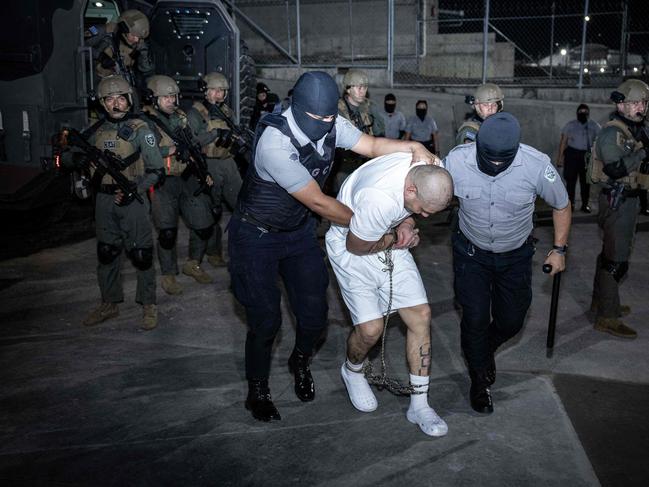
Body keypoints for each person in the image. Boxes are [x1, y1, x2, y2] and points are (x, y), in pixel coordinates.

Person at [229, 71, 438, 422]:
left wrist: (413, 147)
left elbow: (370, 145)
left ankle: (300, 360)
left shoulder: (329, 123)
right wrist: (376, 223)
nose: (326, 124)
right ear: (296, 107)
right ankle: (258, 388)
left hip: (296, 232)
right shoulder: (274, 144)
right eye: (318, 118)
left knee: (314, 317)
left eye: (330, 117)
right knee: (265, 320)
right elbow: (322, 204)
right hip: (256, 235)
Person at [444, 112, 571, 413]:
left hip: (515, 255)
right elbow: (428, 189)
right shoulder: (456, 161)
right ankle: (479, 380)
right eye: (490, 161)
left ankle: (484, 348)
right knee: (473, 318)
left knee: (512, 320)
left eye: (503, 162)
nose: (496, 167)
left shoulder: (536, 165)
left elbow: (562, 205)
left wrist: (559, 249)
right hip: (471, 253)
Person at [326, 154, 452, 437]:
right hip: (353, 245)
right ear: (410, 190)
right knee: (371, 330)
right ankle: (353, 370)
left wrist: (406, 224)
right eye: (423, 209)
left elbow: (409, 210)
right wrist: (397, 238)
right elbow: (357, 245)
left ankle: (419, 406)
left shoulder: (432, 171)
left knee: (421, 316)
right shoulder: (378, 198)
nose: (425, 216)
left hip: (386, 234)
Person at [71, 76, 165, 330]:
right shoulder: (95, 131)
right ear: (102, 102)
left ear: (129, 100)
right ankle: (109, 303)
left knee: (142, 254)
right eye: (110, 99)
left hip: (132, 199)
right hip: (103, 199)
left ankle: (148, 304)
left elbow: (157, 170)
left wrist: (136, 189)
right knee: (107, 252)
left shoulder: (141, 130)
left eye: (121, 98)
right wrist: (76, 162)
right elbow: (73, 155)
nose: (116, 103)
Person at [141, 75, 220, 294]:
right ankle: (168, 274)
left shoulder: (180, 116)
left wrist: (211, 139)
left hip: (187, 175)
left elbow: (193, 141)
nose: (171, 101)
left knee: (204, 225)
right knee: (167, 233)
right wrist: (173, 150)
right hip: (162, 181)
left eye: (174, 96)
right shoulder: (144, 122)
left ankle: (192, 263)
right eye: (165, 97)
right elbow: (145, 153)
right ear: (153, 98)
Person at [588, 79, 649, 339]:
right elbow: (614, 168)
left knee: (611, 253)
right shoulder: (611, 133)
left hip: (629, 200)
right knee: (616, 262)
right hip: (617, 200)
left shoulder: (634, 129)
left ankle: (602, 302)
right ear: (620, 104)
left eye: (644, 102)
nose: (641, 107)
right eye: (635, 102)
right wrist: (643, 154)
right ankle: (607, 318)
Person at [187, 72, 243, 269]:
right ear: (206, 91)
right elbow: (191, 142)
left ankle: (241, 250)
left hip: (228, 162)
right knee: (209, 210)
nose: (218, 95)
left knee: (243, 205)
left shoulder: (226, 111)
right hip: (208, 163)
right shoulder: (195, 113)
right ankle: (204, 255)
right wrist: (214, 134)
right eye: (214, 90)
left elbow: (235, 133)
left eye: (222, 91)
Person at [333, 69, 385, 192]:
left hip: (367, 162)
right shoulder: (338, 109)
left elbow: (379, 132)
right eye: (358, 87)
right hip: (344, 164)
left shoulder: (369, 107)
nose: (362, 91)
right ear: (348, 88)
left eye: (365, 87)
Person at [86, 9, 154, 93]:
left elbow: (146, 70)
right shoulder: (102, 31)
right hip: (96, 79)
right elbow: (78, 47)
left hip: (121, 84)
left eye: (139, 37)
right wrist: (100, 56)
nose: (136, 40)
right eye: (133, 35)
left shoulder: (140, 43)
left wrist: (143, 53)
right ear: (123, 28)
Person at [557, 104, 601, 212]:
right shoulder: (571, 125)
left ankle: (585, 205)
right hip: (572, 155)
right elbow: (563, 141)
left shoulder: (594, 125)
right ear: (577, 113)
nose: (583, 113)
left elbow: (599, 141)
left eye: (585, 111)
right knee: (570, 182)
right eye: (580, 111)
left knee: (585, 182)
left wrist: (598, 158)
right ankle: (570, 205)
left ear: (588, 113)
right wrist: (560, 157)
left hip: (587, 156)